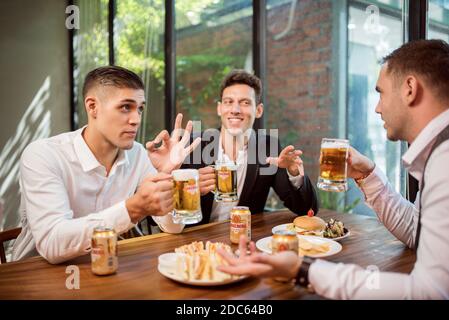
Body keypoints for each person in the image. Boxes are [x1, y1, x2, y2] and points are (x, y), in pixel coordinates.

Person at [217, 39, 449, 299]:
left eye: (380, 92)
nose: (377, 107)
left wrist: (302, 269)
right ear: (220, 108)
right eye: (228, 102)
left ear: (409, 89)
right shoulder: (439, 156)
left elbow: (430, 292)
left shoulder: (444, 160)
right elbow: (415, 230)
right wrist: (368, 174)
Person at [12, 66, 200, 264]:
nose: (136, 120)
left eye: (140, 108)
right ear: (93, 107)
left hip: (106, 264)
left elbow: (172, 227)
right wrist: (132, 209)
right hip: (35, 273)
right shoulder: (44, 155)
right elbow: (53, 244)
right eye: (125, 107)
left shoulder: (137, 154)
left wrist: (166, 174)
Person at [181, 69, 318, 224]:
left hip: (244, 240)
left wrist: (294, 174)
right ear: (219, 108)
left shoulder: (268, 147)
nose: (235, 110)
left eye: (245, 103)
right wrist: (190, 189)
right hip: (196, 242)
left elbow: (307, 210)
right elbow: (158, 216)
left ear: (258, 110)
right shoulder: (193, 145)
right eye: (229, 102)